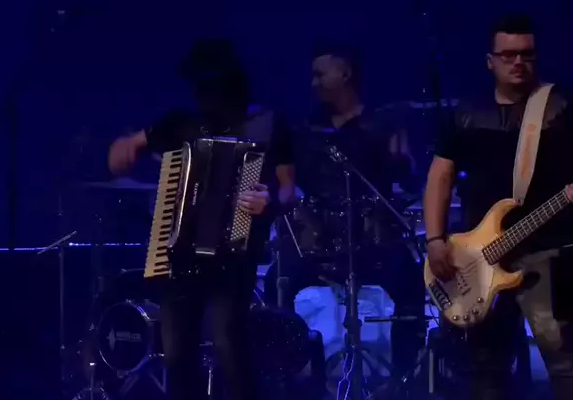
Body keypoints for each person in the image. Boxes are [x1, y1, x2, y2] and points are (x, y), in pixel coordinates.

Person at [108, 38, 296, 400]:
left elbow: (289, 190)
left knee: (229, 345)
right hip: (180, 253)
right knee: (177, 353)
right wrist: (125, 147)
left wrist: (269, 200)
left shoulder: (267, 124)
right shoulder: (180, 124)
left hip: (236, 255)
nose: (204, 94)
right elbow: (122, 154)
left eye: (211, 85)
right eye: (199, 86)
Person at [424, 15, 573, 400]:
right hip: (480, 257)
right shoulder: (464, 114)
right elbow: (440, 177)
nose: (518, 62)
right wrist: (436, 240)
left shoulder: (561, 109)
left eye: (526, 54)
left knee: (565, 366)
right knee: (486, 371)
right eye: (508, 54)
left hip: (550, 254)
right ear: (490, 61)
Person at [263, 43, 427, 379]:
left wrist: (403, 163)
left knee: (412, 283)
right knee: (275, 283)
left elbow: (410, 183)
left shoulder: (382, 122)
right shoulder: (305, 129)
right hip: (318, 243)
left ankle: (405, 379)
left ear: (345, 74)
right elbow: (287, 187)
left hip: (373, 242)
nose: (313, 83)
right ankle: (289, 377)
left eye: (320, 75)